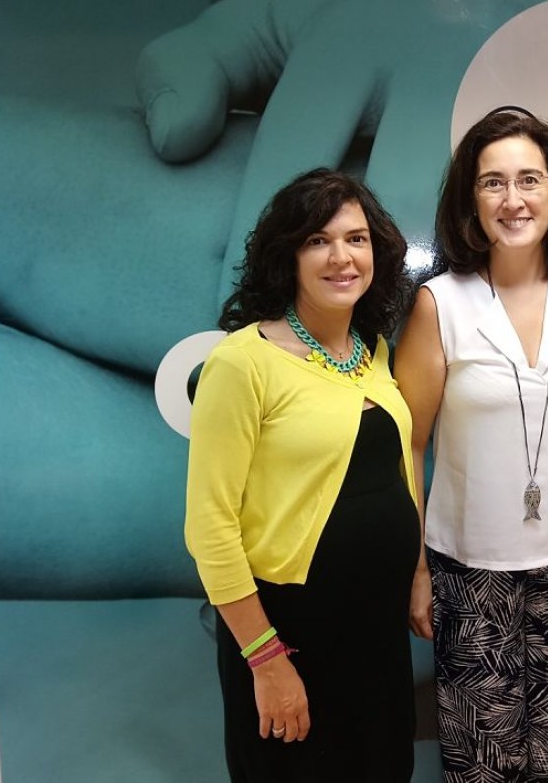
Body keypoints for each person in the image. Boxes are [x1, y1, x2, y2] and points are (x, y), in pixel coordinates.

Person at [394, 109, 548, 782]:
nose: (512, 198)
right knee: (484, 762)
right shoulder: (439, 305)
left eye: (528, 179)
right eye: (492, 182)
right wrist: (416, 570)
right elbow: (408, 443)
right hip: (470, 571)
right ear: (471, 198)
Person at [184, 167, 419, 782]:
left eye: (356, 239)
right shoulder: (242, 363)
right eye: (319, 240)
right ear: (287, 255)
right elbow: (210, 527)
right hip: (288, 632)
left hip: (376, 627)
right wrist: (266, 659)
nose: (342, 257)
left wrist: (418, 571)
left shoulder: (373, 351)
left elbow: (397, 473)